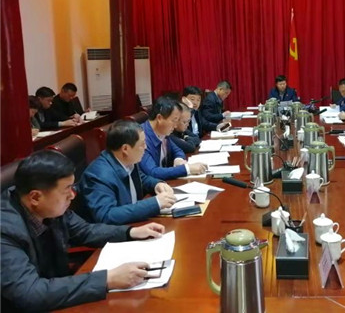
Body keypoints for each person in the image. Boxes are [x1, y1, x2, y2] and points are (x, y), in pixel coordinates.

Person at [1, 150, 166, 311]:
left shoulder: (49, 208)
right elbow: (30, 293)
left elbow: (85, 231)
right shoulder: (5, 231)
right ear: (35, 197)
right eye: (66, 189)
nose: (72, 195)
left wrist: (131, 232)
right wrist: (107, 279)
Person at [80, 120, 177, 224]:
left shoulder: (126, 159)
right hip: (118, 231)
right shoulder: (98, 175)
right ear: (125, 149)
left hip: (134, 223)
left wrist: (157, 184)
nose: (145, 147)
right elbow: (106, 215)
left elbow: (142, 178)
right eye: (142, 144)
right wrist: (156, 203)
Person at [139, 96, 206, 180]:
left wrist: (178, 159)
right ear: (159, 118)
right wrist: (187, 169)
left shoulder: (162, 131)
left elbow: (178, 150)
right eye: (174, 120)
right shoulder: (141, 138)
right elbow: (153, 172)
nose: (175, 126)